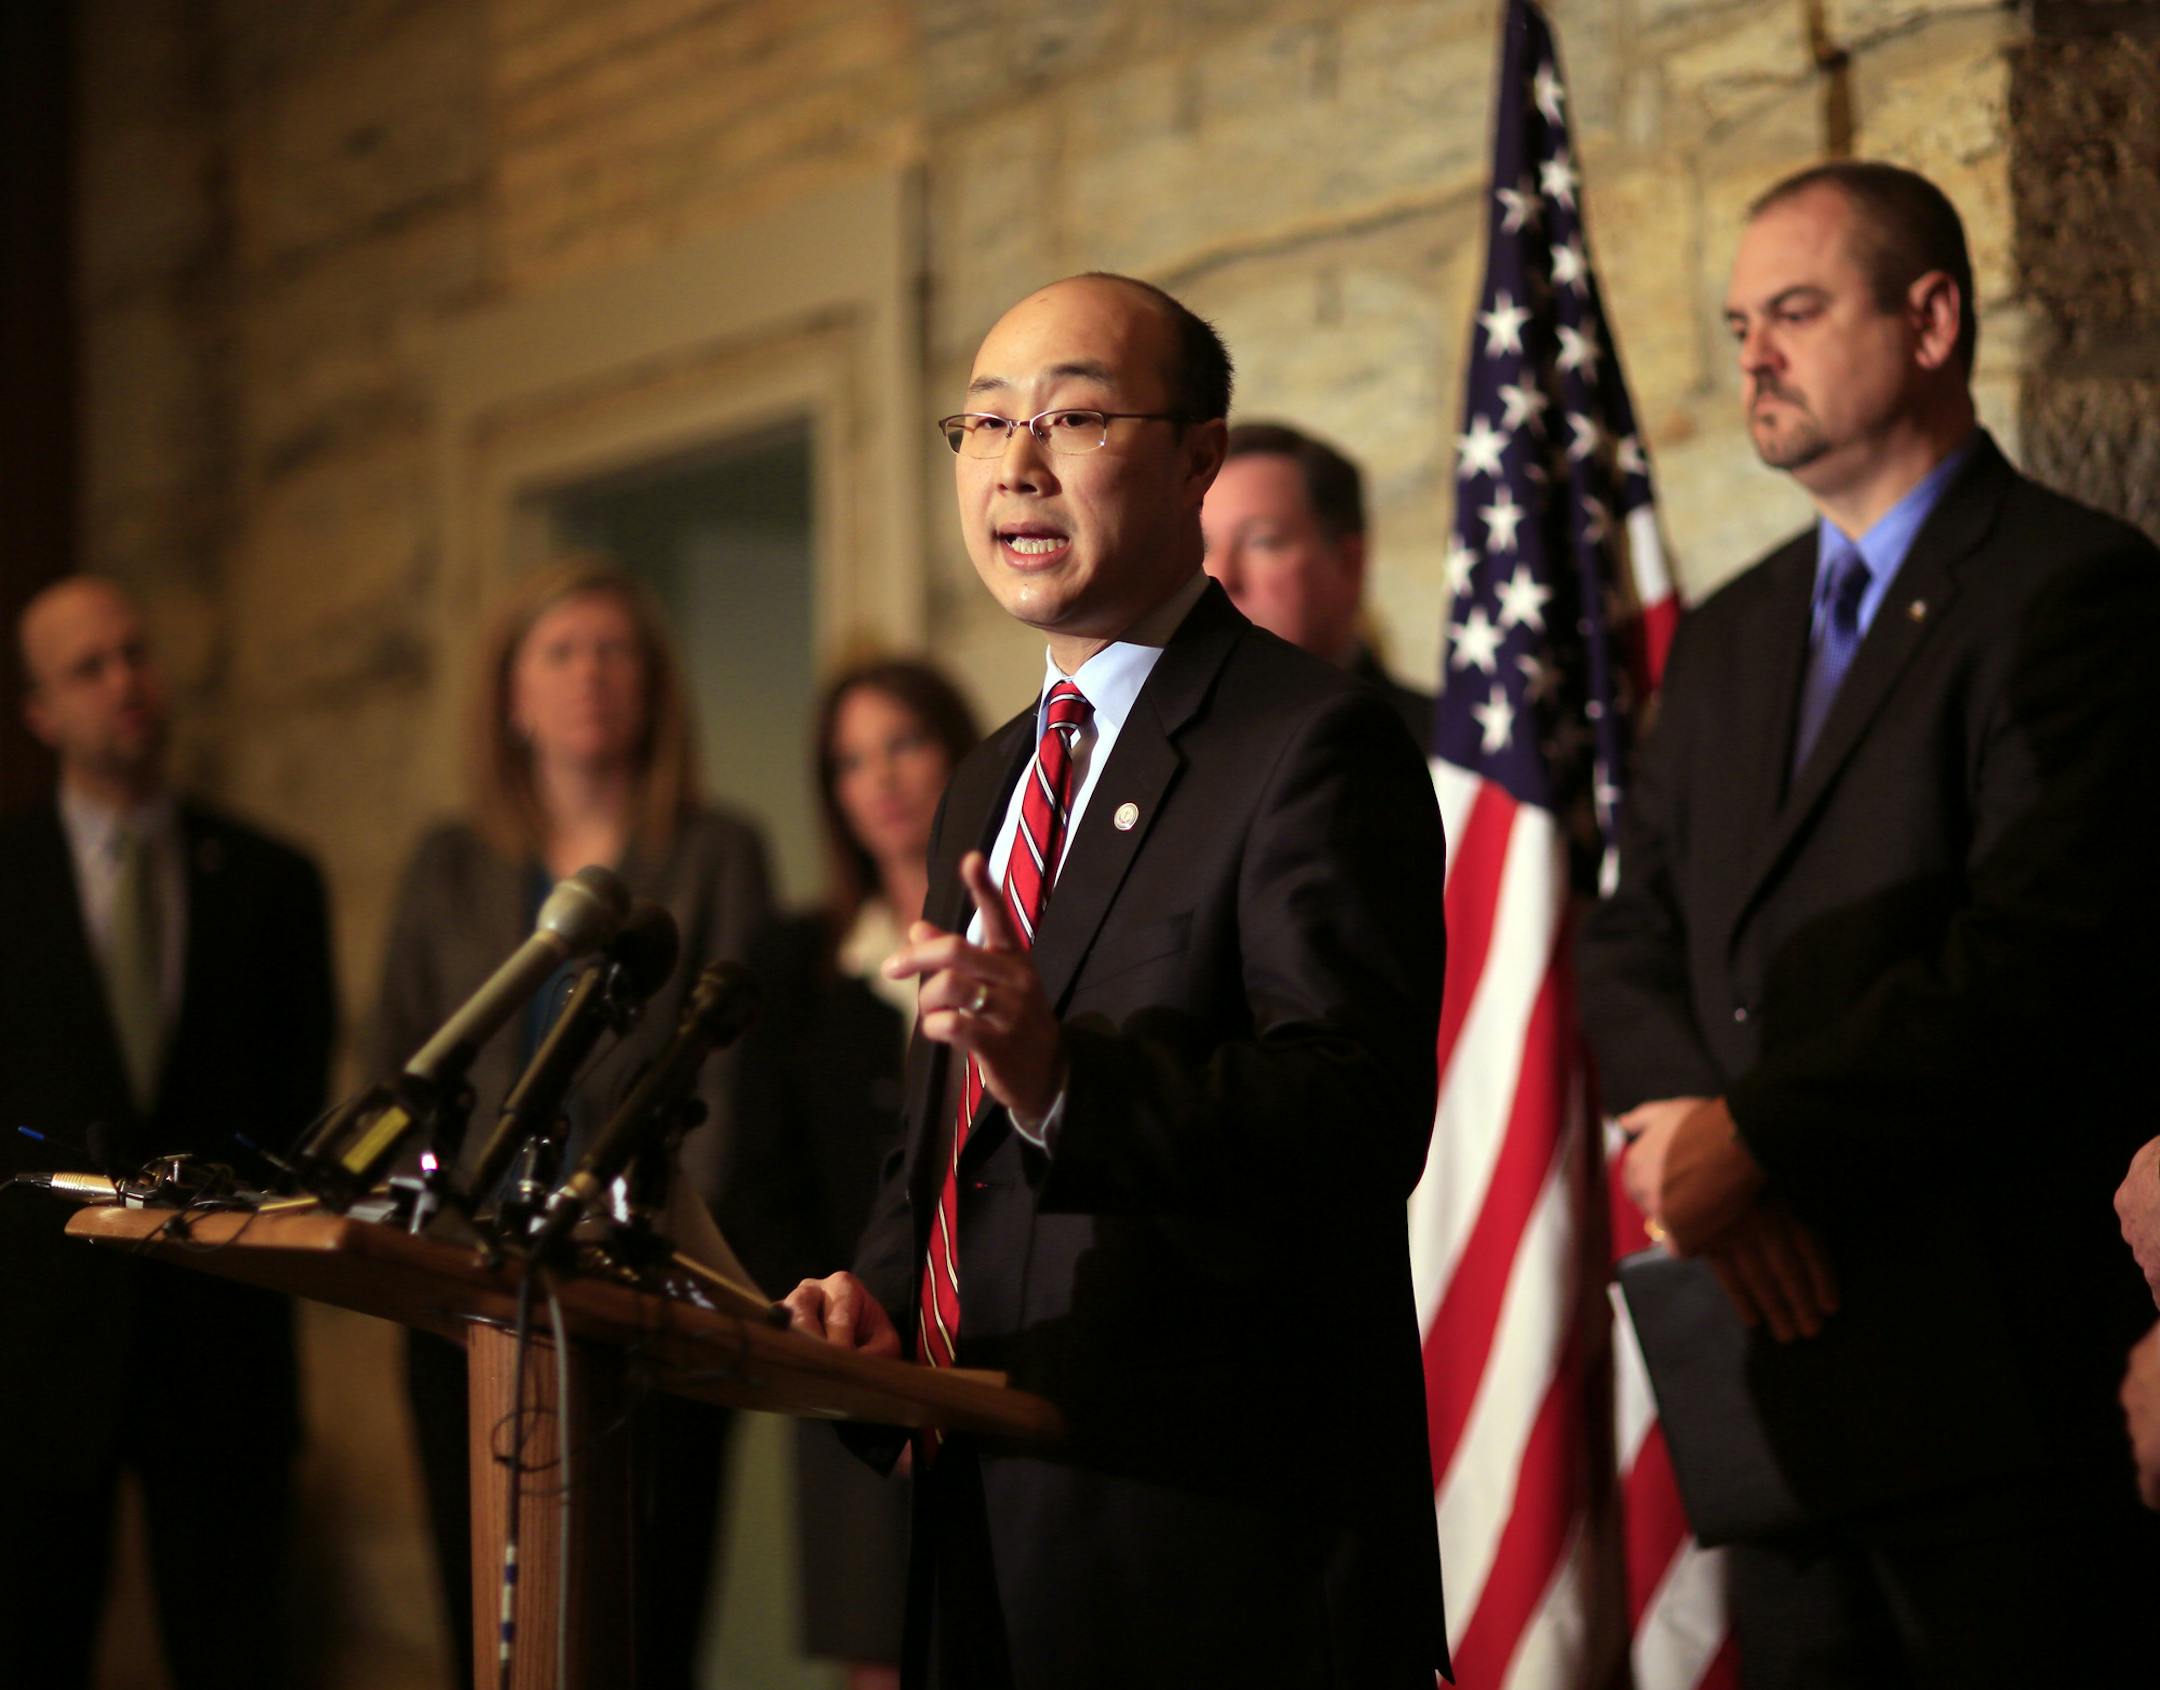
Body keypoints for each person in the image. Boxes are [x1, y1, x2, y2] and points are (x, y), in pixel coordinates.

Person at [782, 273, 1450, 1688]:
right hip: (981, 1545)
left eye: (1073, 416)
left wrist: (1068, 1078)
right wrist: (881, 1303)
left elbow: (1356, 1118)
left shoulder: (1309, 741)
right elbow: (944, 1158)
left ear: (1199, 454)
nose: (1015, 464)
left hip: (1212, 1569)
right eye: (981, 424)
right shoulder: (989, 773)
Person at [1578, 161, 2160, 1684]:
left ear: (1931, 320)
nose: (1751, 352)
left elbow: (2030, 959)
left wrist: (1752, 1140)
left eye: (1793, 310)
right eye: (1736, 321)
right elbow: (1629, 934)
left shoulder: (2078, 591)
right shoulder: (1731, 631)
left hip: (1982, 1367)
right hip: (1767, 1378)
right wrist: (1698, 1148)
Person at [370, 556, 772, 1690]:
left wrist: (635, 1256)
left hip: (650, 1308)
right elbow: (398, 1063)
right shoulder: (449, 866)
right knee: (487, 1630)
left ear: (653, 687)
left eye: (618, 651)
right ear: (512, 694)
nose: (593, 674)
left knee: (639, 1629)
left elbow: (732, 1094)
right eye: (562, 651)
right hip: (462, 1304)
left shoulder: (717, 851)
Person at [0, 575, 334, 1690]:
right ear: (41, 711)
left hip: (222, 1338)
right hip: (36, 1349)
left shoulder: (274, 882)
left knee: (237, 1646)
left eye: (134, 652)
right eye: (86, 668)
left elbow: (296, 1109)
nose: (124, 683)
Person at [722, 658, 980, 1689]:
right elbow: (759, 1182)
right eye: (851, 760)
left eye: (906, 743)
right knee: (876, 1655)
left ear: (962, 751)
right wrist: (842, 1355)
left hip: (993, 1363)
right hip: (843, 1365)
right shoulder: (795, 960)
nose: (883, 779)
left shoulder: (1026, 940)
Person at [1200, 419, 1434, 744]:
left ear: (1349, 563)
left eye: (1262, 542)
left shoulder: (1451, 762)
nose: (1221, 576)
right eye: (1204, 545)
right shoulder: (1145, 739)